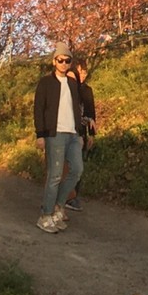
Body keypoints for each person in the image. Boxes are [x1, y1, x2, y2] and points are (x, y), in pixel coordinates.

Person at [33, 43, 95, 234]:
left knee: (77, 170)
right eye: (60, 60)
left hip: (73, 134)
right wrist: (40, 135)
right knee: (55, 175)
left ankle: (58, 207)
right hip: (55, 134)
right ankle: (45, 215)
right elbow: (39, 109)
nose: (63, 63)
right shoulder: (46, 83)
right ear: (54, 61)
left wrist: (81, 132)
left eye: (67, 61)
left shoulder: (73, 84)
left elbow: (77, 109)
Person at [64, 57, 98, 212]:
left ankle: (74, 196)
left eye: (84, 73)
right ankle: (63, 196)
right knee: (66, 166)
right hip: (66, 131)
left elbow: (91, 113)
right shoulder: (68, 87)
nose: (82, 76)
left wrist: (91, 134)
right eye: (79, 72)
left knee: (78, 166)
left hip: (81, 132)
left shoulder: (87, 90)